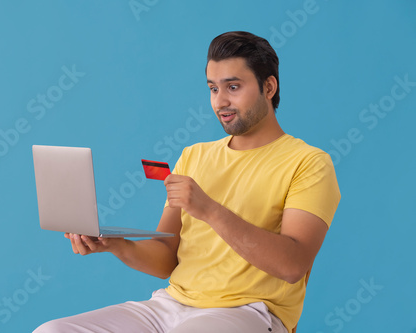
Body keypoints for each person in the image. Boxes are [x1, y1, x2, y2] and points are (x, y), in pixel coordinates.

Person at [33, 31, 341, 333]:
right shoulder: (194, 156)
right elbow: (166, 257)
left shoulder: (308, 162)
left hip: (250, 311)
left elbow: (292, 265)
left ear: (269, 87)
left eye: (233, 87)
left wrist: (209, 210)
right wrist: (118, 245)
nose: (221, 102)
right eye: (213, 88)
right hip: (172, 305)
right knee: (52, 330)